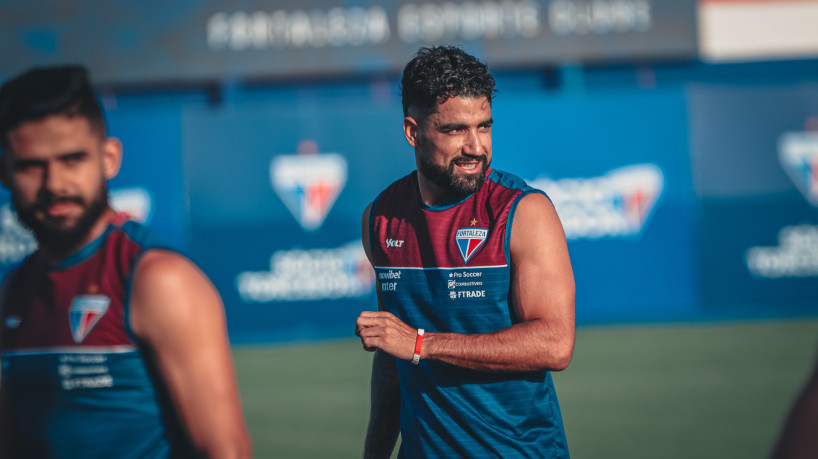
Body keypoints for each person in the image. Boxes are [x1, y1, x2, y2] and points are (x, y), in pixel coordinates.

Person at [0, 66, 251, 458]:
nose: (54, 184)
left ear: (109, 158)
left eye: (72, 159)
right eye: (32, 165)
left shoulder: (159, 280)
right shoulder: (12, 292)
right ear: (5, 172)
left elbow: (226, 452)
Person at [355, 46, 576, 458]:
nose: (476, 147)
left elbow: (554, 344)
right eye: (457, 130)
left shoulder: (523, 211)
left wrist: (422, 345)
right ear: (412, 131)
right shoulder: (381, 219)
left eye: (484, 127)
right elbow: (392, 355)